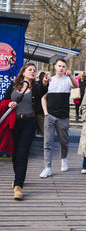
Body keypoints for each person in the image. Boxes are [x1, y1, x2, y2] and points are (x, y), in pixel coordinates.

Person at [1, 63, 48, 199]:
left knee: (22, 153)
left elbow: (43, 91)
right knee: (15, 154)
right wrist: (9, 103)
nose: (33, 72)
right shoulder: (14, 86)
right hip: (13, 122)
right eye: (30, 70)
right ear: (23, 72)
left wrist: (45, 82)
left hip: (28, 122)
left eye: (34, 70)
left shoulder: (36, 87)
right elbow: (4, 100)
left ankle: (18, 185)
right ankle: (18, 178)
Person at [39, 58, 79, 178]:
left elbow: (76, 86)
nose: (61, 68)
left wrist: (71, 76)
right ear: (55, 67)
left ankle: (64, 159)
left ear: (66, 68)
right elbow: (43, 97)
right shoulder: (50, 80)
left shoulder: (67, 80)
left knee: (64, 141)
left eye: (63, 66)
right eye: (59, 66)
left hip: (63, 116)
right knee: (48, 142)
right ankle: (47, 167)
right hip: (50, 115)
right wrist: (46, 112)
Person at [35, 71, 46, 137]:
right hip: (38, 106)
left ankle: (43, 134)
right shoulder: (37, 84)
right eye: (41, 76)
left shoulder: (46, 84)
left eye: (43, 76)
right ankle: (40, 132)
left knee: (41, 122)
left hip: (41, 107)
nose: (43, 77)